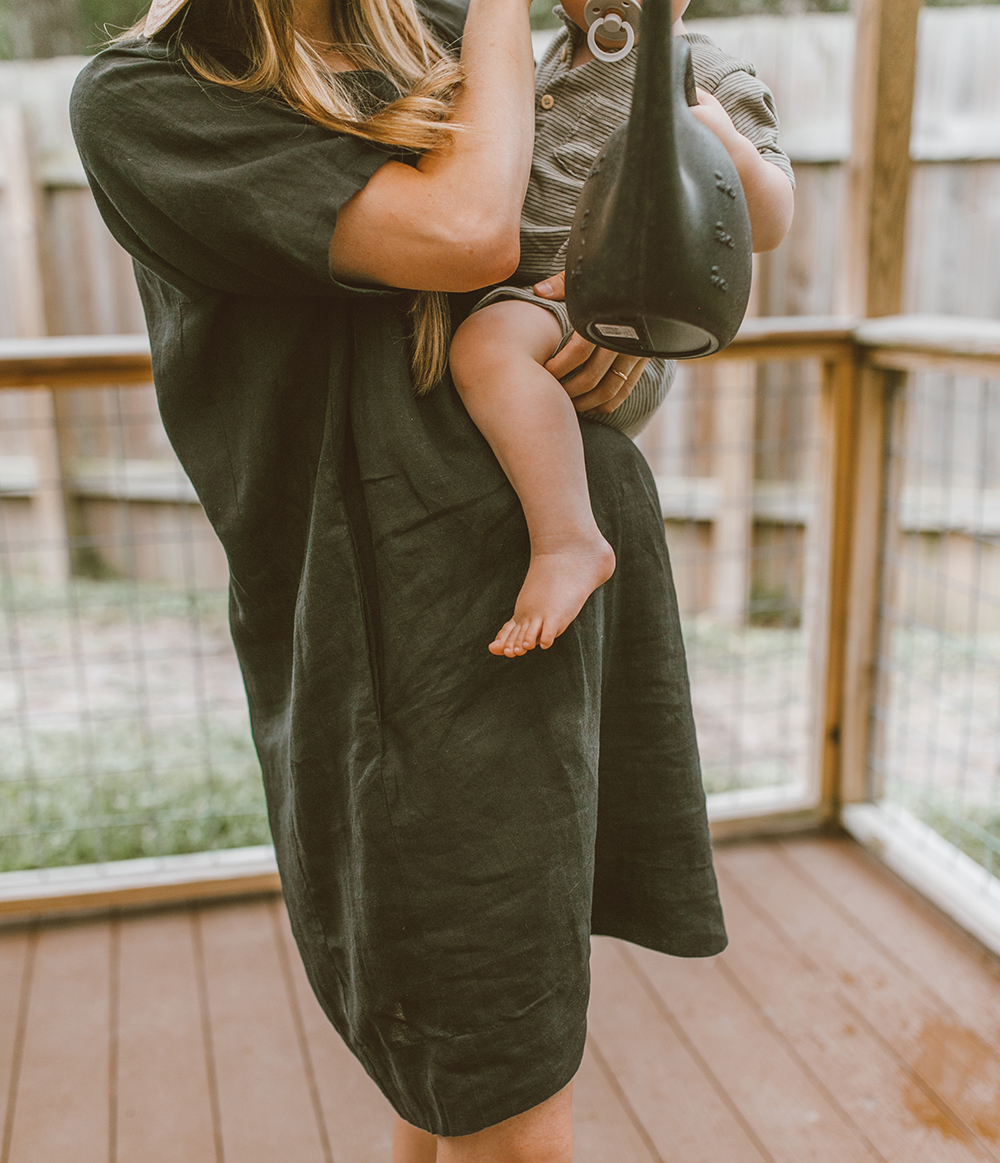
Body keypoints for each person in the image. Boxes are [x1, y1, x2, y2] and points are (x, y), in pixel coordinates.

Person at [71, 0, 729, 1159]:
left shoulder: (431, 34)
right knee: (485, 1056)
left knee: (471, 1064)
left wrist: (607, 319)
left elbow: (568, 246)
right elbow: (464, 233)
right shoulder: (154, 97)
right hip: (399, 639)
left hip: (555, 584)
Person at [449, 0, 795, 660]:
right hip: (524, 301)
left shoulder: (705, 73)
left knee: (483, 348)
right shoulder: (546, 54)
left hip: (607, 313)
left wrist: (730, 150)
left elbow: (773, 218)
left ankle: (569, 542)